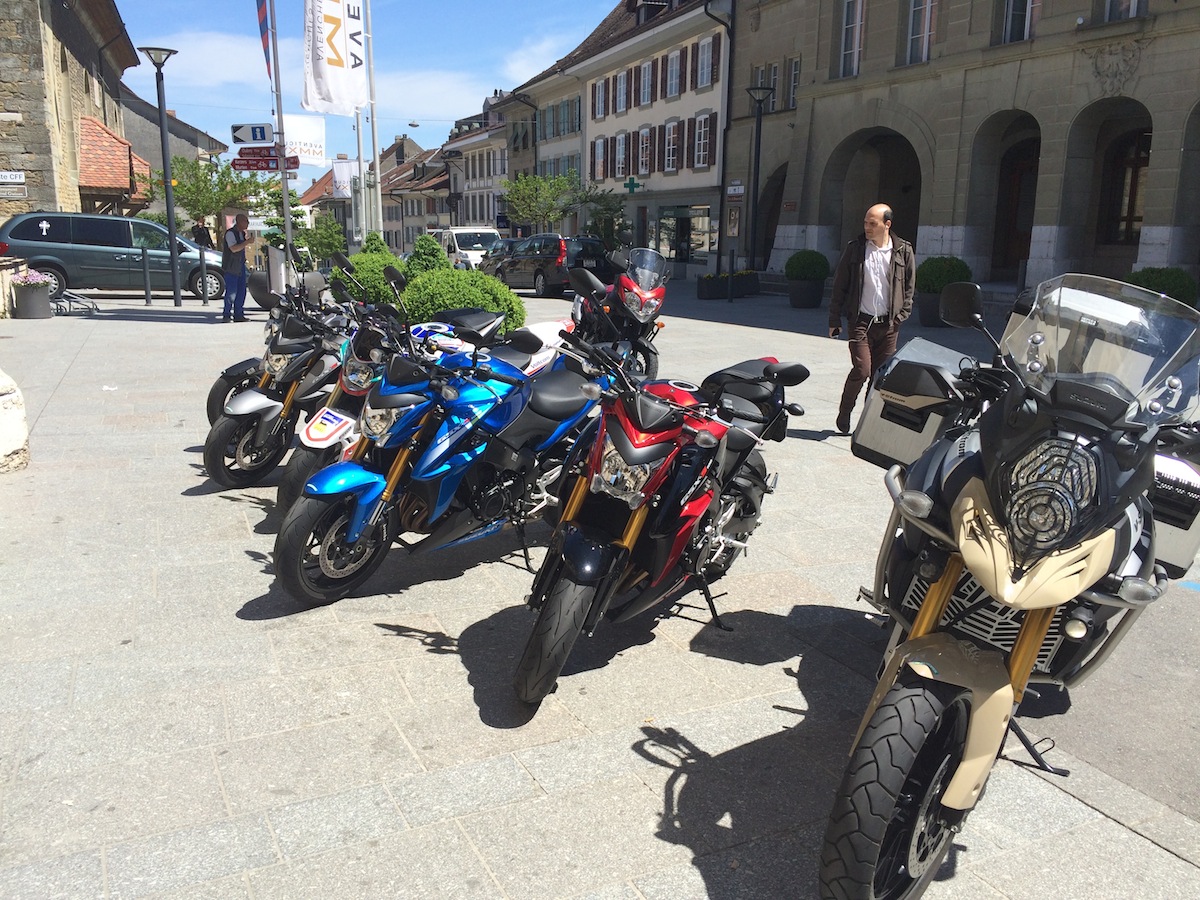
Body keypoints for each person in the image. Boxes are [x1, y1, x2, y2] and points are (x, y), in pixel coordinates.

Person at [827, 203, 916, 434]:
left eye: (872, 223)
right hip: (860, 322)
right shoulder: (855, 249)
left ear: (887, 224)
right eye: (865, 222)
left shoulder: (903, 250)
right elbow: (839, 286)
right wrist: (834, 319)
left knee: (879, 377)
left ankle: (866, 423)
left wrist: (901, 316)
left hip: (888, 325)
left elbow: (909, 286)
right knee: (862, 370)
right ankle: (845, 411)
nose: (867, 227)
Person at [221, 213, 253, 323]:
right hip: (231, 267)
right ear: (239, 222)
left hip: (240, 266)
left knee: (241, 291)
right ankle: (226, 314)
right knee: (231, 292)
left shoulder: (241, 233)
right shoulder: (230, 233)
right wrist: (247, 242)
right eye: (245, 221)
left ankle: (238, 314)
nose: (247, 224)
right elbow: (234, 249)